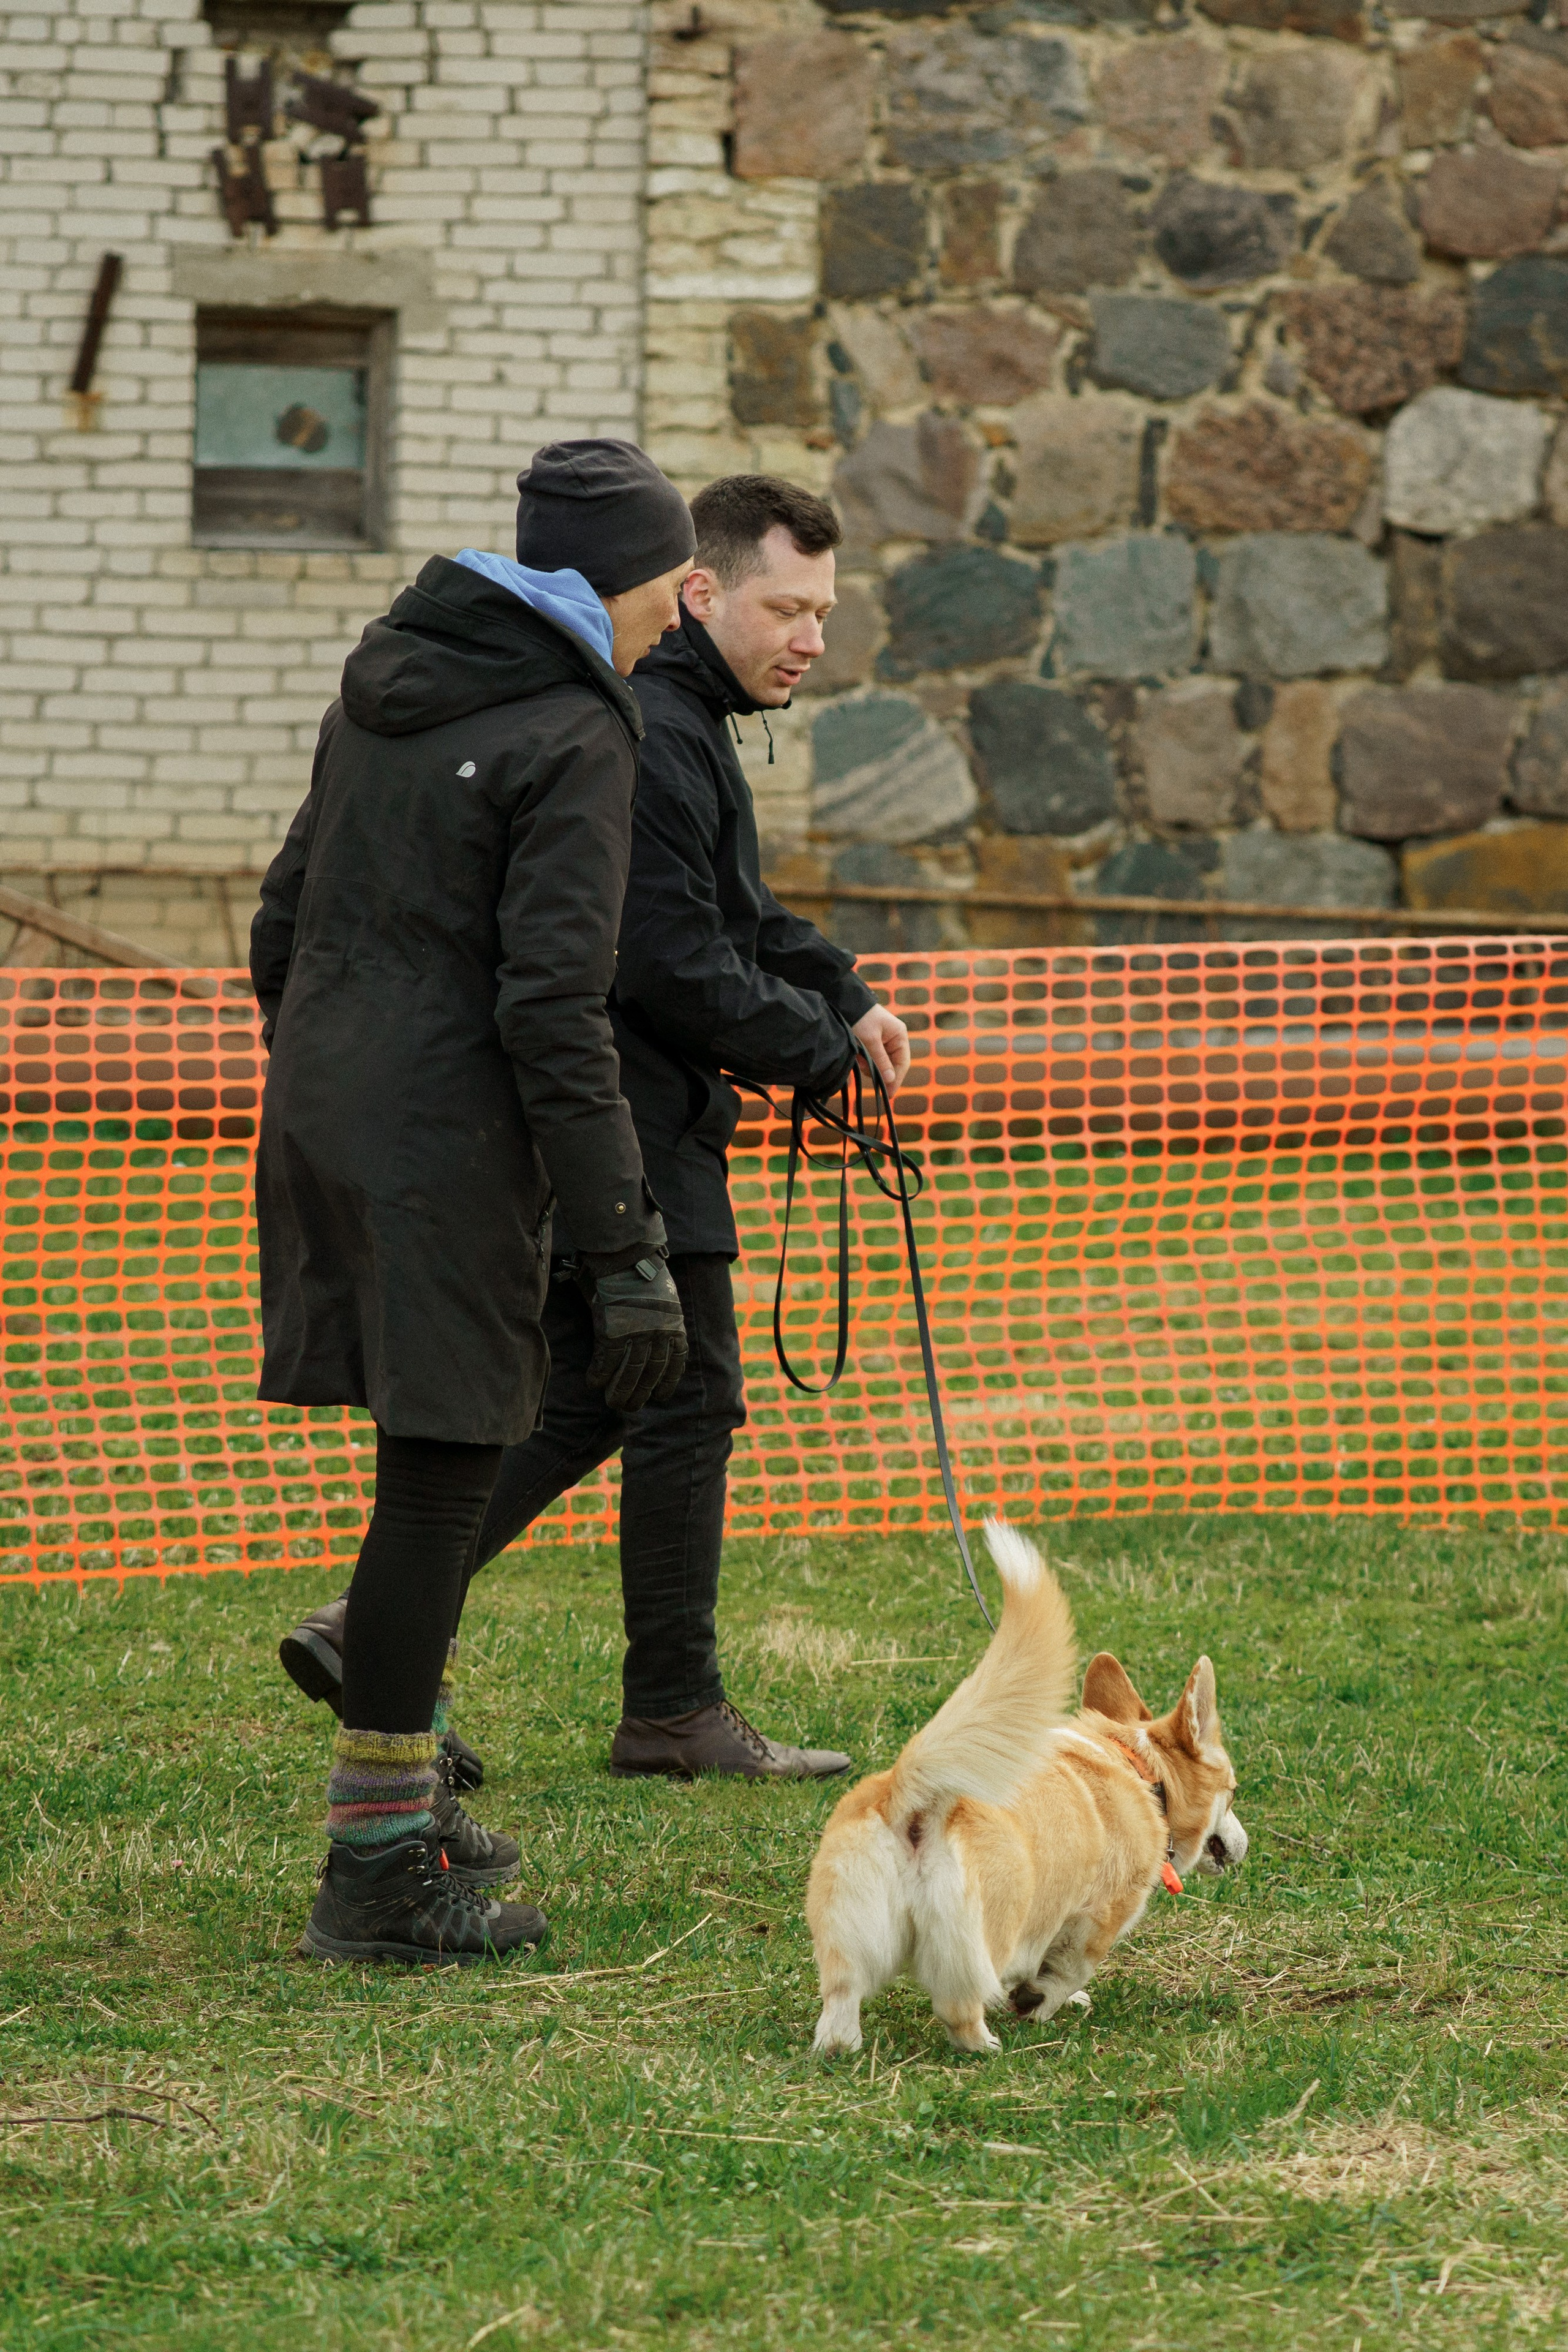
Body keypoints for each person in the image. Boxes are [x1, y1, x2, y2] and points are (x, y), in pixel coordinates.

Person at [277, 475, 911, 1785]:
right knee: (665, 1394)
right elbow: (654, 960)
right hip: (596, 1118)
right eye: (785, 609)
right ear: (695, 591)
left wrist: (837, 992)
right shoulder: (627, 724)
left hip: (506, 1116)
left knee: (585, 1395)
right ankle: (656, 1709)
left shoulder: (649, 719)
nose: (810, 638)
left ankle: (385, 1650)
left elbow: (725, 915)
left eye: (825, 613)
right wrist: (811, 1053)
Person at [252, 438, 696, 1966]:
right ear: (617, 579)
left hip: (328, 1111)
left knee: (427, 1467)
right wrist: (625, 1247)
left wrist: (341, 1071)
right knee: (442, 1479)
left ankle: (410, 1812)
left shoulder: (383, 687)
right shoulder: (578, 726)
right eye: (669, 584)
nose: (674, 616)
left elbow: (281, 922)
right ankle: (379, 1872)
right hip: (443, 1138)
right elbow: (554, 1009)